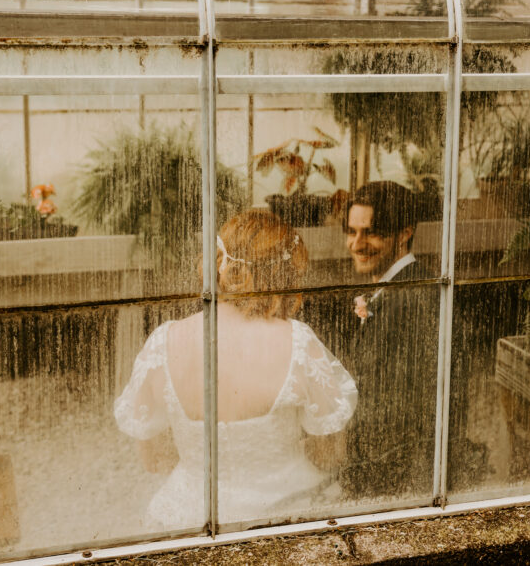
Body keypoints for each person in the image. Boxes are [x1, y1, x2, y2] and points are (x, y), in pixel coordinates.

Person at [114, 210, 358, 528]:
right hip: (288, 512)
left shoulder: (164, 342)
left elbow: (154, 460)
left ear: (220, 262)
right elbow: (329, 455)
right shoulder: (298, 342)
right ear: (286, 275)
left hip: (190, 514)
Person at [335, 181, 440, 499]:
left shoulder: (412, 301)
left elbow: (403, 423)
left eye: (372, 232)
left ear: (404, 234)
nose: (357, 244)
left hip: (393, 485)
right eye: (352, 231)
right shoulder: (395, 292)